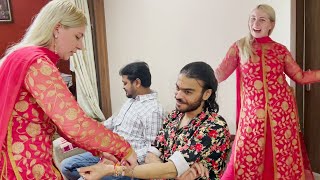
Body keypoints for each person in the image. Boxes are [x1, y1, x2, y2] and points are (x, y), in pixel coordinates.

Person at [0, 0, 137, 179]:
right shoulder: (38, 63)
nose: (81, 46)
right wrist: (123, 148)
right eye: (77, 36)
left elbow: (61, 124)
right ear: (57, 29)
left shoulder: (20, 56)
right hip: (25, 165)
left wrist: (99, 148)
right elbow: (75, 125)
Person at [78, 61, 231, 180]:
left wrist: (112, 169)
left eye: (187, 92)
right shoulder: (174, 117)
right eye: (177, 88)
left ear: (206, 94)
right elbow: (152, 155)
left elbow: (169, 167)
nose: (178, 95)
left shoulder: (213, 126)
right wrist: (172, 172)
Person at [214, 4, 317, 180]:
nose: (256, 23)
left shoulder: (280, 50)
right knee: (245, 153)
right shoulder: (239, 47)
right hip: (252, 115)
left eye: (262, 19)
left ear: (271, 24)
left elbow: (299, 76)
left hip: (282, 114)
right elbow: (220, 73)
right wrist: (197, 77)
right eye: (253, 18)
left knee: (281, 156)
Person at [60, 61, 165, 180]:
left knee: (84, 178)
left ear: (137, 83)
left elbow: (152, 149)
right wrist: (90, 130)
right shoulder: (131, 100)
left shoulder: (153, 110)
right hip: (111, 153)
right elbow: (113, 121)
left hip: (127, 164)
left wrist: (121, 160)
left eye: (125, 83)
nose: (123, 86)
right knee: (67, 166)